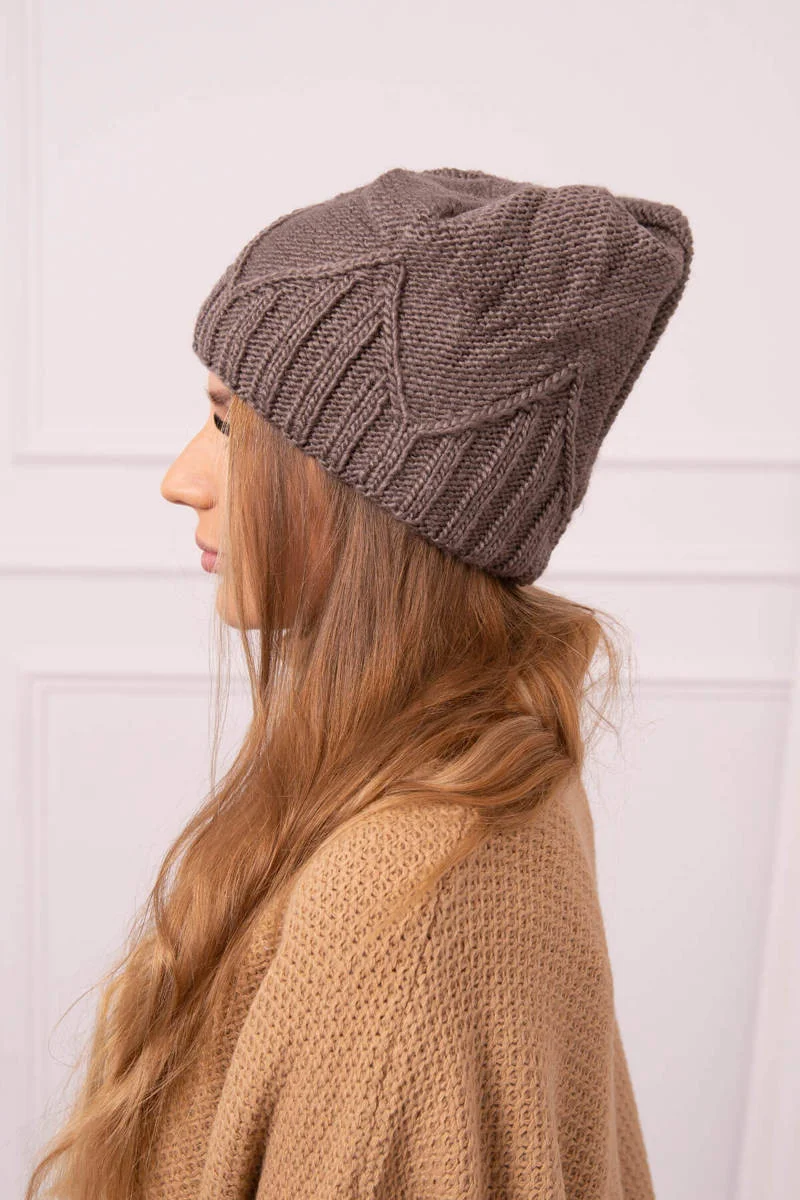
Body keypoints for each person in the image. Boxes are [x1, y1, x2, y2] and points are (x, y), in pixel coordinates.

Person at [24, 166, 693, 1200]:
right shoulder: (491, 764)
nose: (181, 480)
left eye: (231, 426)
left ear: (378, 496)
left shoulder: (402, 903)